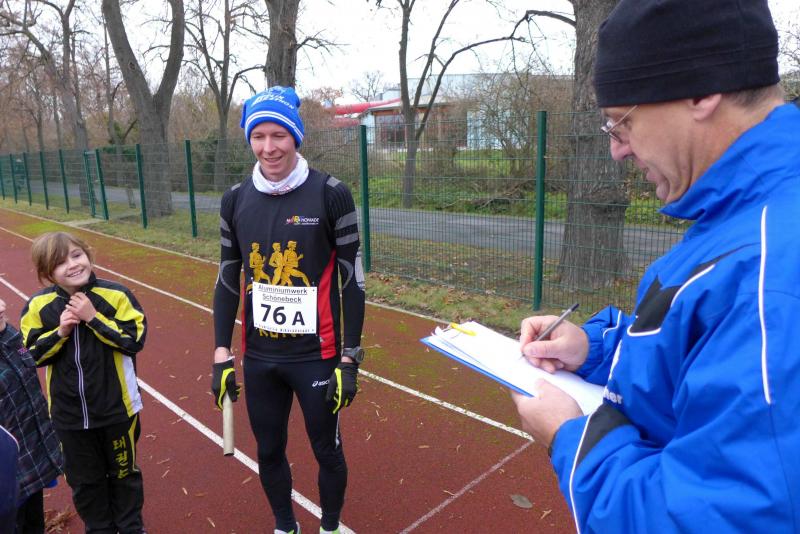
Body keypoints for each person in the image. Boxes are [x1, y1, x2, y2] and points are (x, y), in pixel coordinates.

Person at [510, 1, 800, 532]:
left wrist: (571, 439)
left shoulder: (770, 273)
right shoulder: (745, 215)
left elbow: (714, 519)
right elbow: (702, 357)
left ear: (702, 92)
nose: (617, 151)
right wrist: (596, 349)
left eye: (622, 123)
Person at [212, 85, 366, 534]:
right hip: (261, 357)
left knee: (326, 450)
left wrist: (350, 357)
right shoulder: (235, 199)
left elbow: (352, 280)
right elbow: (228, 278)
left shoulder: (331, 194)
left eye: (278, 135)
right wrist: (221, 353)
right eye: (258, 136)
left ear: (295, 137)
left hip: (317, 355)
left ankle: (330, 526)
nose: (269, 147)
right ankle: (285, 525)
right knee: (268, 450)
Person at [20, 231, 148, 534]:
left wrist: (93, 318)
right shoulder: (38, 305)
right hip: (69, 416)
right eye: (60, 262)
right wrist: (60, 333)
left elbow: (135, 340)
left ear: (88, 255)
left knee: (124, 474)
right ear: (47, 273)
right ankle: (99, 528)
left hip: (118, 409)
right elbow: (30, 355)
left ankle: (131, 527)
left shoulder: (116, 295)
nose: (73, 264)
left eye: (77, 255)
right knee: (85, 481)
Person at [0, 297, 64, 534]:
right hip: (8, 477)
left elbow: (29, 354)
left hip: (32, 460)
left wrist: (60, 333)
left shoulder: (10, 336)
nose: (2, 306)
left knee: (34, 524)